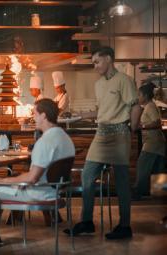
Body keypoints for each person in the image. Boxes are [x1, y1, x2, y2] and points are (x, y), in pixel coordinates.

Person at [65, 46, 141, 240]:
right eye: (94, 63)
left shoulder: (125, 80)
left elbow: (135, 106)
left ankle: (125, 226)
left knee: (122, 182)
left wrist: (131, 129)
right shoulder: (99, 84)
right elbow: (101, 111)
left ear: (108, 59)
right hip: (101, 134)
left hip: (119, 134)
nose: (95, 66)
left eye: (97, 61)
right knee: (87, 177)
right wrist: (80, 115)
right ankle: (87, 221)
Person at [0, 98, 75, 241]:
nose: (33, 118)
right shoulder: (65, 138)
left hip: (38, 193)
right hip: (55, 192)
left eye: (35, 114)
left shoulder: (45, 142)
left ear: (43, 115)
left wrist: (3, 180)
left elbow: (32, 178)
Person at [132, 83, 165, 200]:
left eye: (139, 95)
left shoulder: (150, 106)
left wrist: (142, 126)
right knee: (158, 170)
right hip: (157, 144)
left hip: (153, 143)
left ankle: (137, 193)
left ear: (145, 95)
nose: (138, 97)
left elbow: (157, 123)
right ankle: (158, 197)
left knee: (142, 166)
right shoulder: (148, 106)